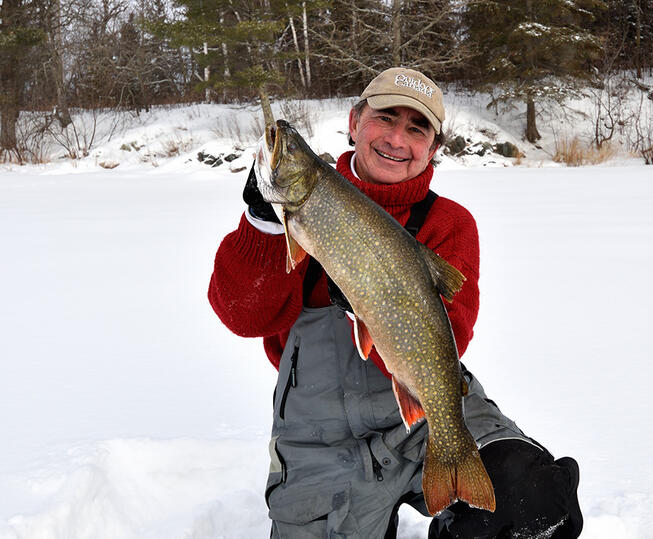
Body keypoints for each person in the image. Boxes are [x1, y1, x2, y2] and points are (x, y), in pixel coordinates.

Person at [209, 67, 583, 538]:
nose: (396, 139)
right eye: (385, 118)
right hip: (318, 436)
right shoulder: (301, 209)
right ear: (354, 121)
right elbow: (245, 315)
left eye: (416, 127)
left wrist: (377, 299)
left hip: (429, 409)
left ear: (434, 148)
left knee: (530, 504)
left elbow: (455, 332)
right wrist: (264, 221)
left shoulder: (449, 223)